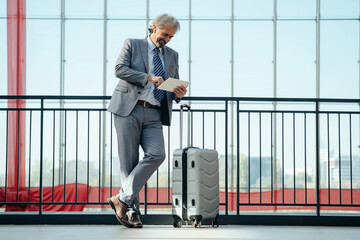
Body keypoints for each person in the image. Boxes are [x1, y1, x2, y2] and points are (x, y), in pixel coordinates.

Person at [107, 14, 187, 228]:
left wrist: (179, 93)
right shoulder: (132, 44)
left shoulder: (172, 55)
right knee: (129, 163)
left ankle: (121, 199)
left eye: (171, 37)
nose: (167, 40)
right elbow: (119, 69)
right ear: (153, 28)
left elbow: (172, 84)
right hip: (128, 109)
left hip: (154, 113)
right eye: (164, 34)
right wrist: (149, 77)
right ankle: (133, 213)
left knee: (157, 154)